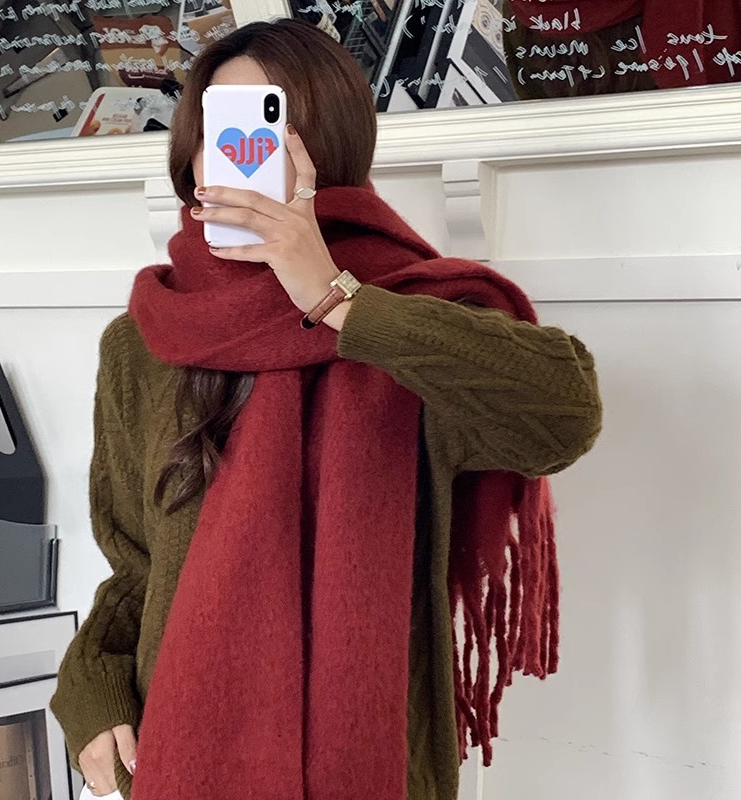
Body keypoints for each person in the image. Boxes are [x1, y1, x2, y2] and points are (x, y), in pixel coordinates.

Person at [50, 18, 602, 800]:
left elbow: (559, 419)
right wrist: (94, 687)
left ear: (330, 144)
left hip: (372, 759)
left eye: (270, 125)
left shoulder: (416, 315)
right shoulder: (145, 341)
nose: (241, 152)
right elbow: (137, 563)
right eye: (219, 127)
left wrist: (337, 298)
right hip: (184, 749)